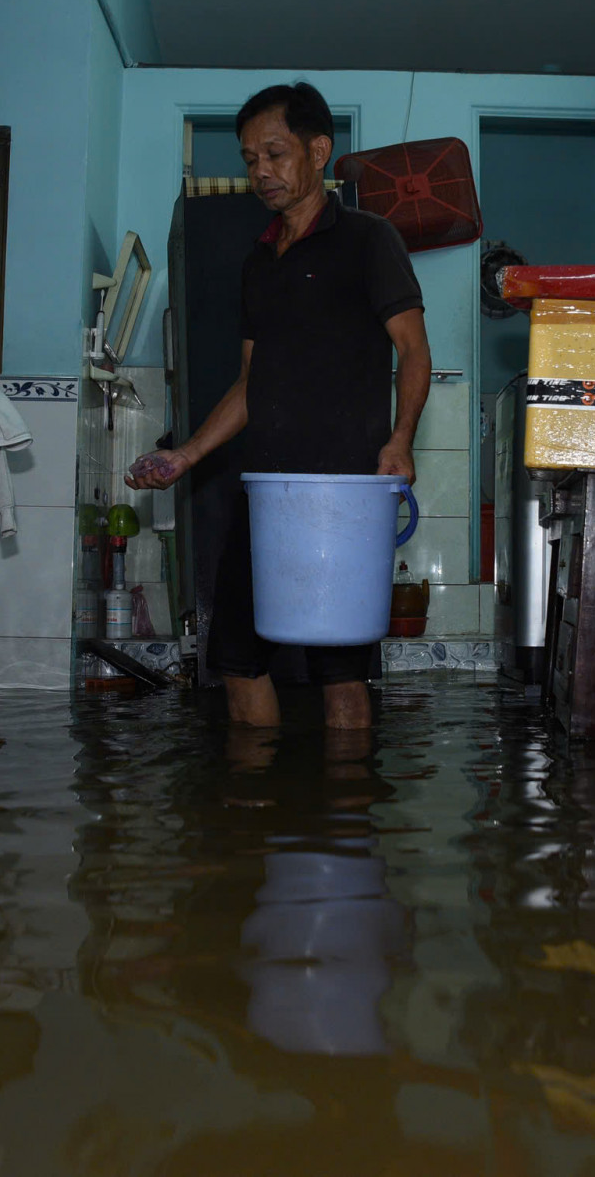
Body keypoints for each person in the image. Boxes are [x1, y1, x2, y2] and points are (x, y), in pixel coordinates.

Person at [126, 82, 430, 729]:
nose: (260, 171)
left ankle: (345, 817)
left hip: (344, 493)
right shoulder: (258, 261)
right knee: (236, 659)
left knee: (342, 675)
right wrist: (186, 454)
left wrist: (399, 440)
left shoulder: (369, 239)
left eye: (274, 154)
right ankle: (258, 816)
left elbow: (414, 350)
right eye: (249, 159)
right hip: (264, 490)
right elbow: (248, 384)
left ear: (318, 151)